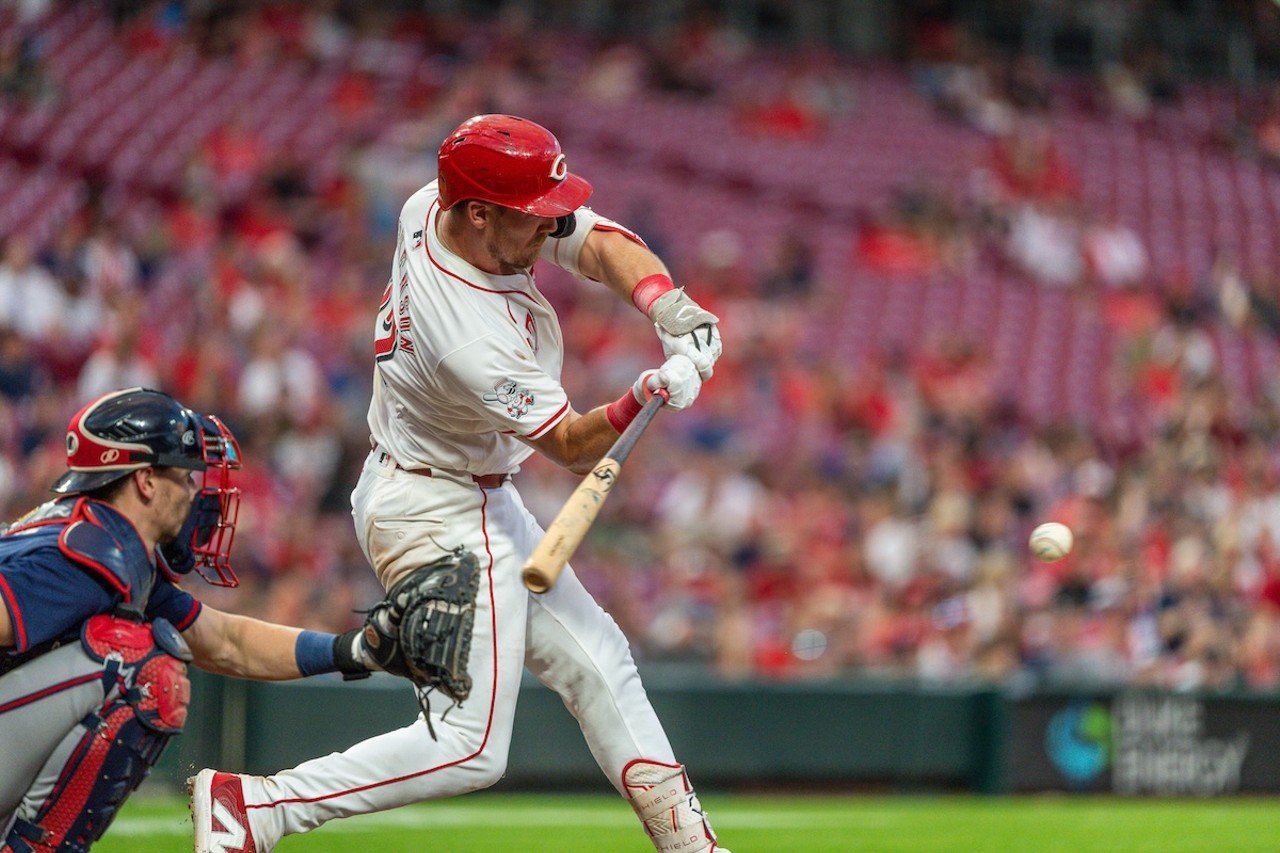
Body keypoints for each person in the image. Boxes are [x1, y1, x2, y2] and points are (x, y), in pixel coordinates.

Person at [191, 114, 729, 852]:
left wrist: (667, 304)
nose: (549, 227)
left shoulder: (435, 205)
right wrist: (648, 391)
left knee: (598, 659)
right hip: (433, 507)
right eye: (531, 216)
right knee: (468, 747)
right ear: (478, 213)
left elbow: (598, 241)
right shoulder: (469, 336)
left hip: (467, 488)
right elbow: (572, 446)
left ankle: (693, 847)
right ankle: (262, 805)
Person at [0, 387, 381, 852]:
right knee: (141, 671)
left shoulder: (112, 545)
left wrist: (355, 649)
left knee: (139, 656)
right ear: (145, 481)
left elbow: (224, 642)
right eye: (185, 477)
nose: (193, 493)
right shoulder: (86, 554)